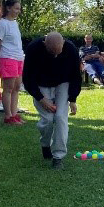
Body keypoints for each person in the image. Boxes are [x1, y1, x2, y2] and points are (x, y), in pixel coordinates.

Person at [22, 32, 81, 169]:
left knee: (60, 117)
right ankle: (45, 144)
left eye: (58, 53)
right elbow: (28, 78)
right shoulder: (33, 48)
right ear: (44, 44)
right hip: (41, 85)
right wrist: (41, 99)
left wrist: (72, 99)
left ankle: (58, 157)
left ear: (63, 44)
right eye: (51, 53)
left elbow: (75, 75)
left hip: (63, 83)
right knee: (48, 119)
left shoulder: (71, 49)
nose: (55, 56)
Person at [0, 0, 24, 124]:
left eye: (19, 9)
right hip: (8, 57)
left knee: (17, 87)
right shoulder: (2, 24)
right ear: (8, 8)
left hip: (19, 58)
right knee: (9, 88)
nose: (18, 11)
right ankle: (8, 116)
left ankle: (14, 114)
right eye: (16, 8)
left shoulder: (15, 23)